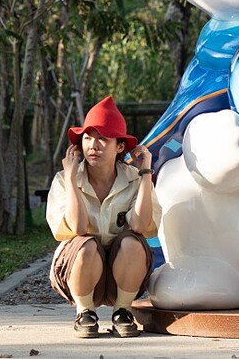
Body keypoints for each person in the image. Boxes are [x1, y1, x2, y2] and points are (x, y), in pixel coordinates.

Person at [46, 96, 160, 338]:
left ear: (120, 146)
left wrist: (146, 172)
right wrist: (70, 177)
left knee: (132, 242)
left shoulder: (134, 178)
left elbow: (140, 226)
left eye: (103, 139)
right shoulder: (64, 179)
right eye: (88, 138)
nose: (93, 145)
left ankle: (123, 312)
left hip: (122, 276)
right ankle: (85, 312)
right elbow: (76, 227)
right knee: (86, 243)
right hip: (79, 272)